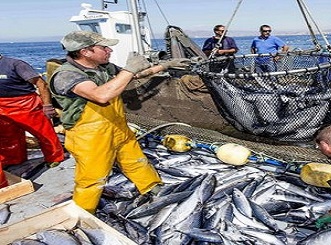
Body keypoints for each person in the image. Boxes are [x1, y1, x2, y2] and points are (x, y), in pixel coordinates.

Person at [49, 30, 190, 213]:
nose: (109, 50)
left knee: (136, 160)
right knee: (92, 177)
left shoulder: (104, 67)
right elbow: (101, 95)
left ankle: (152, 188)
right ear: (85, 52)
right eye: (104, 47)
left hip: (117, 126)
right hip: (89, 136)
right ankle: (84, 213)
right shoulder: (66, 75)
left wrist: (166, 65)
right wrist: (129, 69)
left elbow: (134, 76)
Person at [0, 54, 65, 174]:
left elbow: (41, 84)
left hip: (26, 104)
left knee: (43, 133)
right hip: (2, 106)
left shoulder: (16, 64)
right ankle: (14, 160)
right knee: (8, 136)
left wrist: (47, 106)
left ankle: (55, 157)